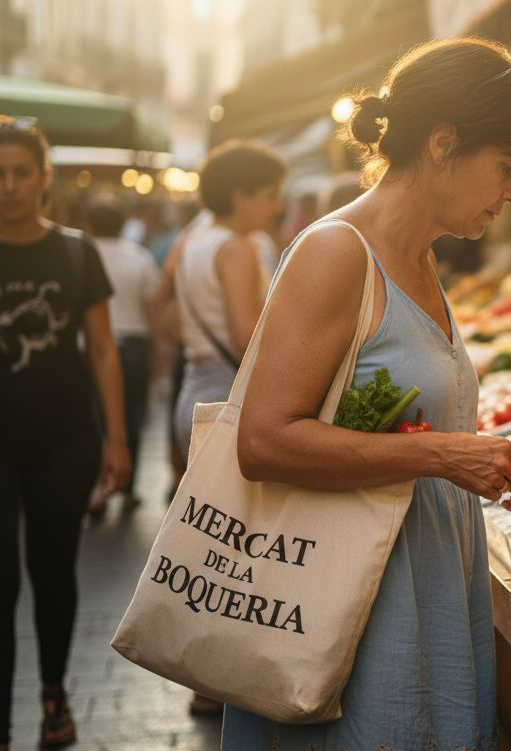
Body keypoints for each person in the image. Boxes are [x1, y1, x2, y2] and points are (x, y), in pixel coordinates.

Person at [223, 37, 511, 751]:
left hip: (421, 583)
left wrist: (481, 456)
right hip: (354, 607)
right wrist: (443, 453)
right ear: (443, 144)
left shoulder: (421, 259)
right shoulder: (335, 251)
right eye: (508, 168)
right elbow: (262, 441)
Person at [0, 115, 131, 751]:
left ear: (44, 177)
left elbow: (104, 352)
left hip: (64, 440)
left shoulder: (77, 252)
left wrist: (119, 441)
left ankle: (54, 696)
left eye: (22, 173)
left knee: (53, 576)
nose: (9, 186)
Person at [169, 141, 286, 715]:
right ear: (241, 195)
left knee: (212, 545)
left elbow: (162, 315)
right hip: (229, 398)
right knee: (241, 553)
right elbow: (250, 337)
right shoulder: (238, 248)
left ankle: (206, 680)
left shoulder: (192, 241)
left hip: (194, 390)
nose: (275, 207)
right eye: (269, 196)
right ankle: (219, 681)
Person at [85, 198, 160, 514]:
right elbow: (152, 305)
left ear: (90, 224)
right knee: (132, 415)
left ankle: (96, 487)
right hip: (134, 345)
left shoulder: (83, 255)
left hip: (90, 347)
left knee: (93, 417)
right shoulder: (139, 256)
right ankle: (128, 487)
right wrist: (158, 349)